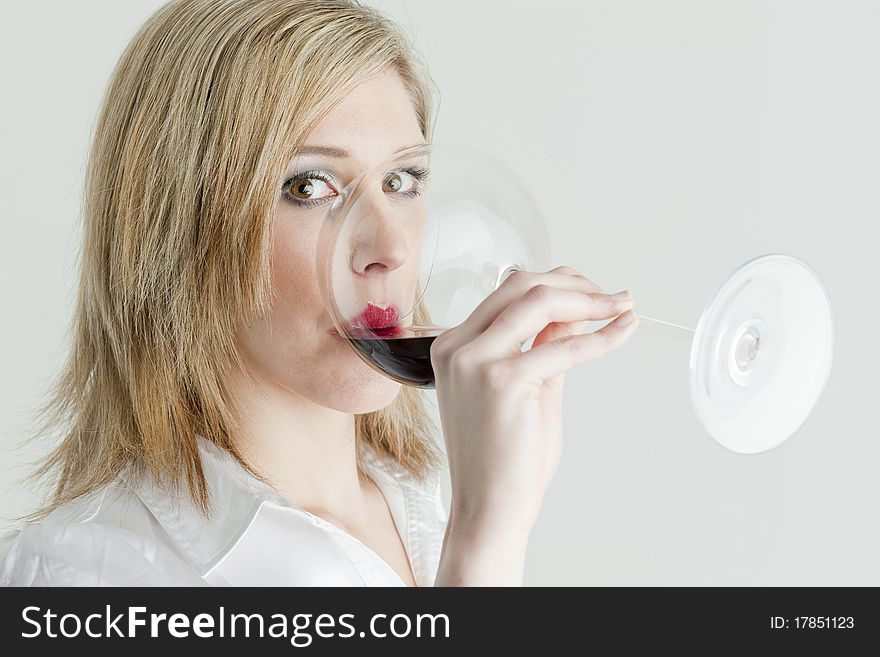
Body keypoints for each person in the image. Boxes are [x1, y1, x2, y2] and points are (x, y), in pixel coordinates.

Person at [0, 0, 638, 587]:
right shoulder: (85, 571)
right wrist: (484, 545)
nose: (389, 248)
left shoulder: (429, 495)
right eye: (309, 188)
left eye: (403, 180)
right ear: (180, 229)